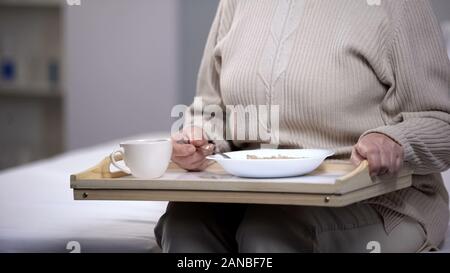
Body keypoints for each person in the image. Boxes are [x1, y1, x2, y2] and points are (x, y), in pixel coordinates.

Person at [155, 0, 450, 253]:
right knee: (184, 224)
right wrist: (199, 138)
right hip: (252, 194)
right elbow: (210, 109)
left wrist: (393, 139)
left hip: (378, 198)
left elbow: (441, 122)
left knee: (268, 233)